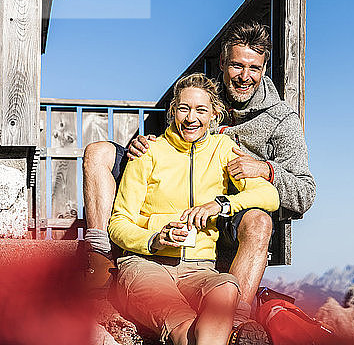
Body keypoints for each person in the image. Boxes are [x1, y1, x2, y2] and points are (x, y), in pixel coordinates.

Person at [83, 21, 315, 330]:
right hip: (176, 205)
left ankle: (236, 321)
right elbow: (168, 146)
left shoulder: (280, 119)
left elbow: (305, 192)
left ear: (264, 68)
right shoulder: (196, 95)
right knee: (98, 152)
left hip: (230, 208)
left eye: (254, 68)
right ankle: (100, 261)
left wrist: (267, 170)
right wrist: (140, 144)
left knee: (260, 220)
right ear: (222, 63)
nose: (245, 76)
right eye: (236, 65)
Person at [108, 73, 280, 345]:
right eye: (184, 108)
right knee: (184, 326)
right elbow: (119, 223)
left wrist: (222, 204)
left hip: (200, 269)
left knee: (226, 288)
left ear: (214, 114)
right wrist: (154, 239)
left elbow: (269, 195)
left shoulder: (223, 149)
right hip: (146, 265)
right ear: (173, 111)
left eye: (201, 110)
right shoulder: (149, 152)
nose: (191, 118)